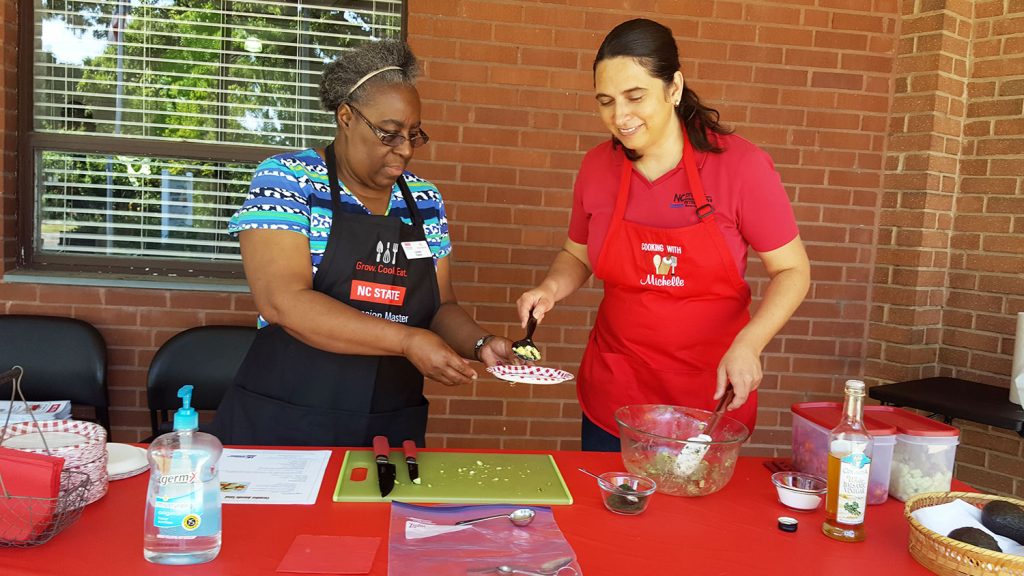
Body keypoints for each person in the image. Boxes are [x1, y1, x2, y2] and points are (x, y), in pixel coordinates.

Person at [516, 19, 811, 451]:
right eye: (606, 101)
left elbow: (792, 270)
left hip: (708, 395)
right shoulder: (597, 168)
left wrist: (750, 344)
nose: (620, 116)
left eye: (635, 96)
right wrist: (549, 289)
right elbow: (576, 255)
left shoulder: (741, 167)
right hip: (617, 390)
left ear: (674, 87)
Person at [214, 40, 515, 447]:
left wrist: (479, 343)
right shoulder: (289, 179)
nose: (405, 150)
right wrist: (409, 341)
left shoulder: (424, 200)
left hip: (388, 421)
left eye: (413, 135)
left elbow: (441, 305)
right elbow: (282, 300)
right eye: (389, 134)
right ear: (346, 117)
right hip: (286, 414)